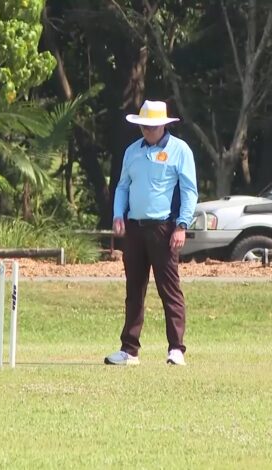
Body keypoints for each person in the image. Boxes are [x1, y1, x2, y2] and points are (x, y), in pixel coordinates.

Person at [104, 100, 198, 366]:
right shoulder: (132, 151)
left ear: (163, 126)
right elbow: (123, 186)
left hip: (164, 228)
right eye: (144, 126)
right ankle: (129, 350)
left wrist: (182, 225)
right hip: (135, 227)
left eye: (152, 126)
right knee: (134, 289)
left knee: (169, 289)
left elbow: (189, 191)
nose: (147, 130)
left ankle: (176, 349)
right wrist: (118, 214)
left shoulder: (179, 150)